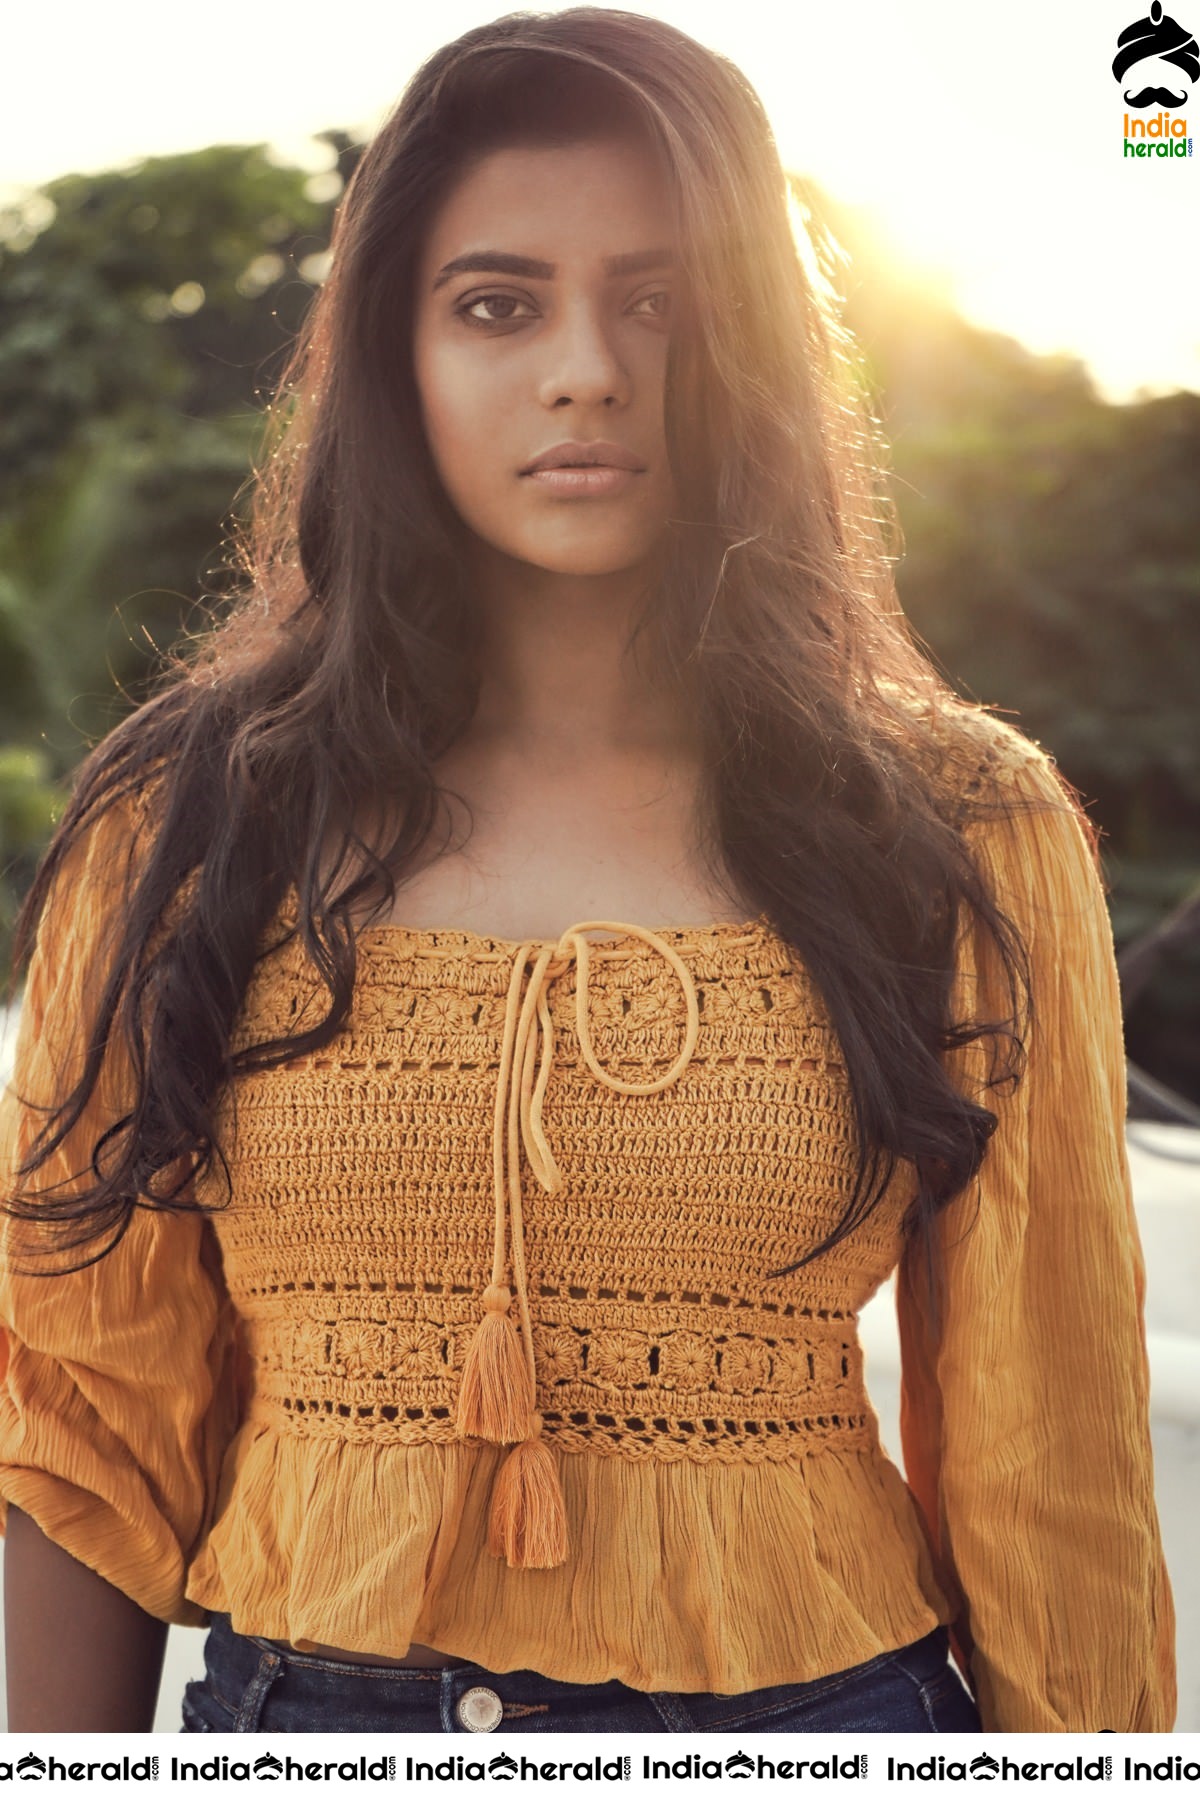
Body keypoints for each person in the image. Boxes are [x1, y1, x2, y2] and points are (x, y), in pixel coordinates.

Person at [0, 7, 1175, 1738]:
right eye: (497, 305)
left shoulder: (956, 826)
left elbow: (1049, 1449)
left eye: (662, 301)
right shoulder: (188, 822)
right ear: (392, 354)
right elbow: (84, 1421)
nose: (587, 369)